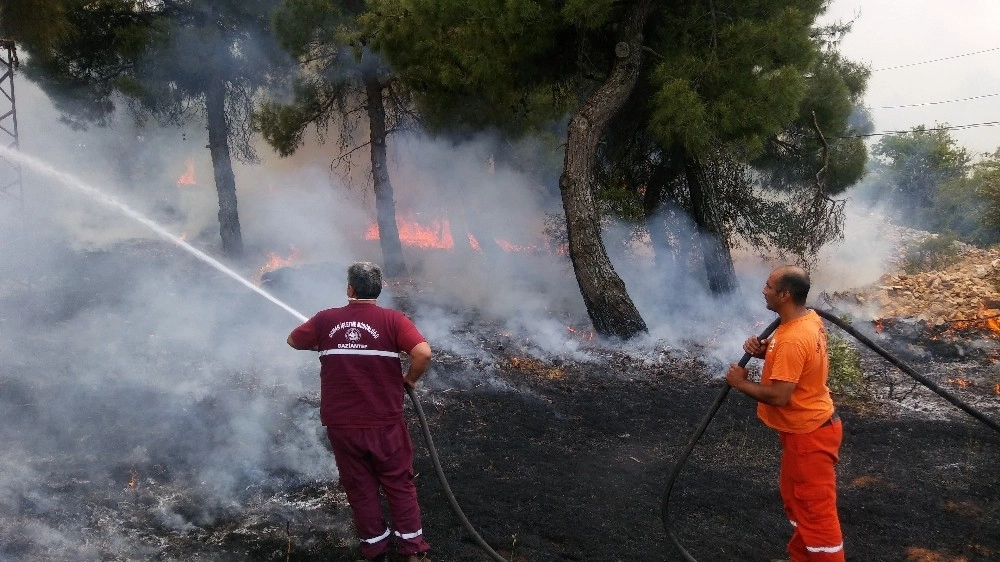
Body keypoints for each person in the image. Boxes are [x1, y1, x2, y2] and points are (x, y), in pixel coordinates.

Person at [287, 261, 432, 562]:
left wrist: (324, 344)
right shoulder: (393, 320)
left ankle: (375, 550)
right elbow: (422, 353)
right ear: (379, 290)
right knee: (398, 483)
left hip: (342, 425)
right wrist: (410, 379)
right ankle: (412, 552)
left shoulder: (326, 319)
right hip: (384, 424)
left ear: (350, 289)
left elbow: (293, 340)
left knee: (360, 486)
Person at [726, 265, 845, 561]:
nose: (763, 290)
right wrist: (767, 352)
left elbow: (780, 396)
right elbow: (801, 361)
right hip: (805, 434)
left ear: (784, 295)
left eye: (768, 286)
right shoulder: (805, 321)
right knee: (798, 504)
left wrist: (740, 383)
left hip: (810, 439)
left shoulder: (793, 338)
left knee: (816, 516)